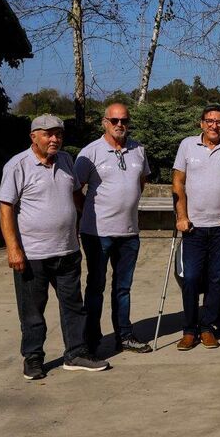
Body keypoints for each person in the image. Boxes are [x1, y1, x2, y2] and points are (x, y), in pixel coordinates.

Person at [0, 114, 110, 380]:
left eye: (58, 134)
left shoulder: (66, 160)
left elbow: (75, 194)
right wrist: (13, 249)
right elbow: (6, 208)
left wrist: (89, 219)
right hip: (33, 254)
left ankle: (76, 353)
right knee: (32, 311)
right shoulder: (18, 165)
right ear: (33, 136)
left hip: (67, 251)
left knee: (74, 306)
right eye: (48, 134)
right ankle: (33, 358)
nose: (54, 139)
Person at [75, 103, 152, 354]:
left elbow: (140, 183)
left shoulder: (139, 150)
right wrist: (89, 212)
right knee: (95, 286)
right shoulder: (90, 152)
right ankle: (91, 340)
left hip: (129, 233)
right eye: (115, 120)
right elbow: (75, 189)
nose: (120, 125)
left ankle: (124, 335)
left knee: (123, 288)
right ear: (104, 122)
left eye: (124, 121)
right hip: (97, 234)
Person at [172, 104, 220, 351]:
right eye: (210, 121)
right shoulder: (187, 145)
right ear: (201, 123)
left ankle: (207, 328)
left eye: (219, 122)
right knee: (191, 278)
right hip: (193, 227)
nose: (214, 125)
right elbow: (178, 182)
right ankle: (189, 330)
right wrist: (181, 216)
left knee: (216, 278)